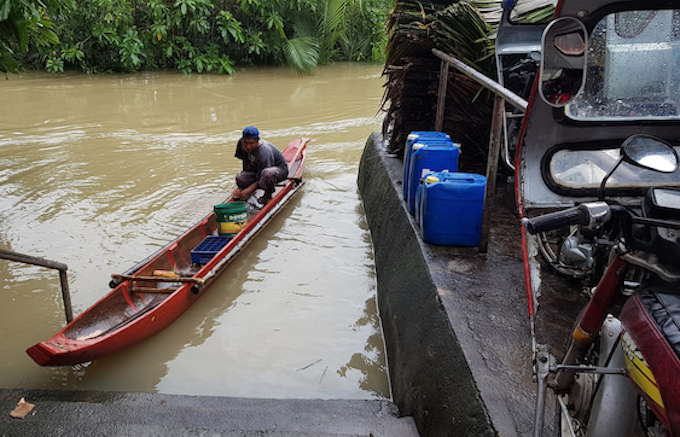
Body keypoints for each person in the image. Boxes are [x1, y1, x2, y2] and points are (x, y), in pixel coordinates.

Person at [231, 126, 288, 205]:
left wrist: (244, 193)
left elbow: (263, 175)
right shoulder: (241, 144)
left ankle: (268, 195)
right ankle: (250, 192)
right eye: (245, 143)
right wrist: (242, 187)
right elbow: (245, 161)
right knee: (240, 178)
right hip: (257, 170)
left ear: (257, 141)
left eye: (251, 143)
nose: (248, 147)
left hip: (277, 172)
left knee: (266, 174)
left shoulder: (263, 151)